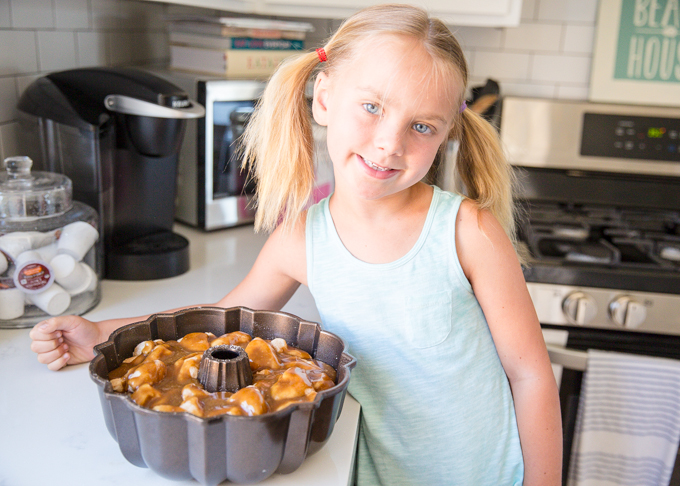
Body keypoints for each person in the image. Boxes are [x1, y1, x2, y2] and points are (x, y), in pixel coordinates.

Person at [29, 4, 562, 485]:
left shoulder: (467, 231)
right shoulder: (302, 237)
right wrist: (100, 332)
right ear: (325, 98)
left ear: (446, 134)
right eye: (372, 107)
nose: (389, 142)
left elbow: (530, 374)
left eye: (421, 126)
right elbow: (218, 319)